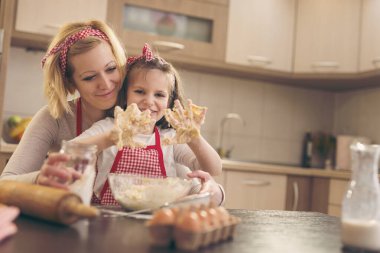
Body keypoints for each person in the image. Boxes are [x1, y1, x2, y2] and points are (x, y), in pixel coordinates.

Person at [72, 44, 224, 206]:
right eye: (140, 91)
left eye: (159, 95)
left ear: (169, 101)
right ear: (125, 95)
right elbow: (72, 151)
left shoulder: (169, 139)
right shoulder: (109, 127)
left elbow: (213, 169)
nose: (149, 102)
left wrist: (195, 139)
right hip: (110, 217)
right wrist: (112, 137)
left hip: (157, 221)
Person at [0, 20, 127, 187]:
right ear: (70, 83)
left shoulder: (145, 112)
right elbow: (4, 183)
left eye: (111, 69)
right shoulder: (55, 119)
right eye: (89, 77)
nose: (105, 84)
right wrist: (39, 178)